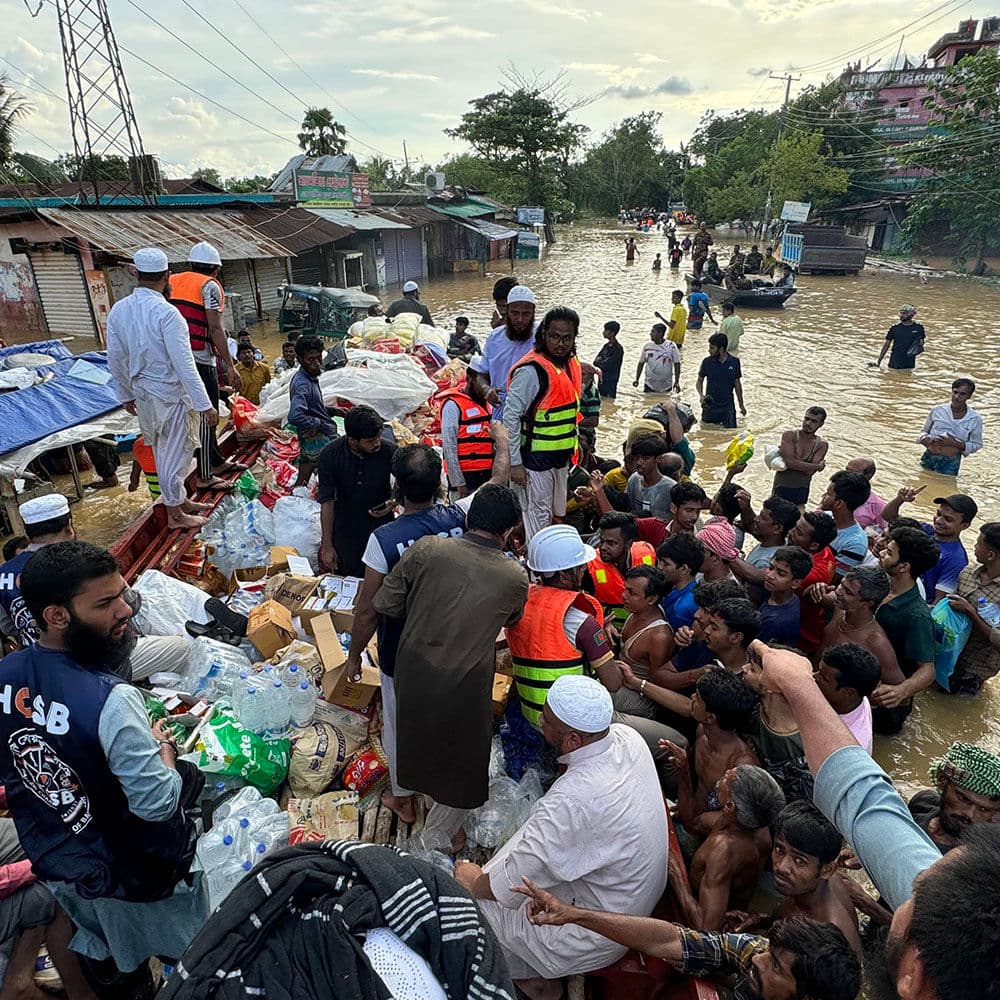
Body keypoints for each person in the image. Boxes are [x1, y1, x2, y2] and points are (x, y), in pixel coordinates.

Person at [744, 639, 1000, 1000]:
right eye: (962, 798)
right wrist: (799, 685)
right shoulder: (951, 857)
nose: (970, 815)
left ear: (915, 973)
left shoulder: (954, 910)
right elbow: (873, 808)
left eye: (917, 895)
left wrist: (869, 906)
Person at [0, 542, 209, 979]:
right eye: (105, 603)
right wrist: (163, 753)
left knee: (102, 952)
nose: (125, 611)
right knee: (183, 953)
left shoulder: (7, 674)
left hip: (60, 853)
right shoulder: (111, 699)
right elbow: (156, 803)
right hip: (128, 869)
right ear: (57, 616)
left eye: (121, 595)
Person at [454, 676, 668, 997]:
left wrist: (473, 882)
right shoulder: (627, 737)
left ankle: (536, 980)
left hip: (600, 933)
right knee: (534, 832)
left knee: (475, 905)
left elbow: (509, 882)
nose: (541, 721)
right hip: (628, 898)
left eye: (547, 720)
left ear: (571, 740)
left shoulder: (570, 802)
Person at [346, 442, 509, 820]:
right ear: (440, 483)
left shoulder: (384, 540)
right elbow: (498, 481)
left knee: (400, 724)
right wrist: (500, 438)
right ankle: (445, 793)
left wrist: (355, 655)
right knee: (448, 721)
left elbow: (368, 608)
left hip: (400, 654)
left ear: (397, 489)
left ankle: (403, 796)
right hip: (458, 647)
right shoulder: (463, 518)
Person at [374, 486, 528, 845]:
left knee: (416, 734)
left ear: (469, 519)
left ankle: (412, 798)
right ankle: (445, 829)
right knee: (463, 756)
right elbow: (515, 619)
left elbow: (387, 603)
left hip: (413, 666)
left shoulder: (427, 548)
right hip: (466, 679)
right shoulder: (513, 575)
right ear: (508, 531)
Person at [515, 887, 859, 1000]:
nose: (759, 960)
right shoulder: (755, 953)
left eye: (775, 967)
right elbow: (669, 940)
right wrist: (573, 914)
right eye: (769, 953)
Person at [0, 495, 191, 684]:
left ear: (27, 534)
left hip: (43, 664)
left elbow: (8, 627)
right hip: (97, 664)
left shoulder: (3, 575)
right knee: (182, 646)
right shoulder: (81, 562)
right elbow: (132, 603)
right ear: (68, 526)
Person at [105, 247, 220, 532]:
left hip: (143, 393)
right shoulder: (168, 314)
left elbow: (115, 358)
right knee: (175, 454)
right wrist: (205, 405)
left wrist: (125, 394)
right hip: (170, 394)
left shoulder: (120, 309)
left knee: (160, 449)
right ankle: (175, 515)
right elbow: (185, 365)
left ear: (137, 274)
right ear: (167, 276)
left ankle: (179, 502)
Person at [507, 525, 622, 736]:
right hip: (572, 725)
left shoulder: (520, 604)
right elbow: (613, 684)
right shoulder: (582, 623)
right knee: (671, 736)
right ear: (564, 574)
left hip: (532, 714)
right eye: (579, 567)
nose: (584, 571)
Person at [168, 241, 246, 490]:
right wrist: (230, 366)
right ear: (215, 269)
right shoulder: (209, 286)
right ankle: (204, 475)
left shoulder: (173, 280)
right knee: (207, 414)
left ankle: (216, 461)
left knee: (203, 412)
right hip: (200, 359)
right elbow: (214, 328)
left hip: (175, 358)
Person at [671, 765, 785, 932]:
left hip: (708, 916)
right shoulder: (754, 825)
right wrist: (684, 771)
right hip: (723, 895)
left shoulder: (723, 849)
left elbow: (707, 931)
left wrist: (676, 878)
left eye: (726, 778)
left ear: (730, 806)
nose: (722, 776)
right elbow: (694, 821)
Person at [505, 307, 582, 541]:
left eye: (567, 338)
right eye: (555, 336)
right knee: (538, 517)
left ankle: (551, 564)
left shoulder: (568, 364)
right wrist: (515, 463)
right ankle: (538, 569)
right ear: (544, 335)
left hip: (560, 458)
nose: (560, 343)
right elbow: (510, 418)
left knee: (557, 514)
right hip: (534, 460)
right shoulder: (531, 371)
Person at [662, 667, 761, 834]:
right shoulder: (702, 731)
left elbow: (702, 825)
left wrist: (684, 772)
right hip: (690, 813)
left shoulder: (740, 766)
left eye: (698, 698)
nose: (692, 697)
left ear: (711, 717)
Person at [871, 526, 940, 732]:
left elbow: (928, 670)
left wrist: (901, 691)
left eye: (889, 552)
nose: (882, 552)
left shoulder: (916, 616)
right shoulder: (879, 584)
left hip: (887, 702)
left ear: (903, 567)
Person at [769, 802, 861, 957]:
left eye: (799, 861)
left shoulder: (828, 938)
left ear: (827, 870)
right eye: (779, 850)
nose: (781, 867)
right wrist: (759, 921)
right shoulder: (813, 887)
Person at [317, 405, 396, 577]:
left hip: (381, 527)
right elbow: (327, 502)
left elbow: (403, 480)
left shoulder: (389, 451)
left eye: (378, 437)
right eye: (370, 441)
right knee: (350, 578)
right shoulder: (329, 456)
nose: (377, 443)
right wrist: (327, 546)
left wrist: (393, 501)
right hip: (346, 531)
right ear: (352, 440)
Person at [817, 566, 903, 710]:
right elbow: (815, 598)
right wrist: (815, 588)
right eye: (841, 585)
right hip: (815, 684)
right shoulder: (841, 607)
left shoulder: (876, 642)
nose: (838, 591)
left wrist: (863, 697)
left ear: (867, 602)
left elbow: (900, 692)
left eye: (848, 592)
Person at [742, 643, 814, 802]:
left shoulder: (802, 743)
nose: (744, 668)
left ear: (770, 686)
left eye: (753, 669)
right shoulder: (752, 707)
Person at [882, 489, 977, 603]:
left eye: (948, 519)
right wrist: (899, 500)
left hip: (913, 602)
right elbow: (889, 517)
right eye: (938, 514)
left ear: (965, 525)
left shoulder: (956, 559)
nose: (939, 520)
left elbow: (938, 602)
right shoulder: (924, 530)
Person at [908, 741, 1000, 852]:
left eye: (984, 809)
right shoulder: (922, 803)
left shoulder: (982, 859)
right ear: (943, 781)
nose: (970, 814)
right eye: (964, 799)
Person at [946, 521, 1000, 695]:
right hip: (948, 654)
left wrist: (970, 612)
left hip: (975, 668)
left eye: (978, 544)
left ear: (991, 555)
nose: (975, 547)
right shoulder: (968, 573)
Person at [585, 512, 657, 631]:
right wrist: (602, 622)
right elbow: (582, 607)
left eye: (611, 543)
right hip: (607, 633)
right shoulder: (589, 566)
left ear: (628, 544)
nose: (602, 547)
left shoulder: (648, 555)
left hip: (643, 629)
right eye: (602, 541)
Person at [285, 335, 338, 487]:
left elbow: (312, 408)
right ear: (300, 359)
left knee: (303, 477)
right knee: (336, 477)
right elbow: (295, 416)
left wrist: (333, 411)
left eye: (318, 358)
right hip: (317, 439)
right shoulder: (302, 384)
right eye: (311, 359)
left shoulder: (308, 378)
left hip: (309, 441)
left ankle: (298, 495)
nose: (316, 363)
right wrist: (318, 423)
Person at [438, 356, 495, 496]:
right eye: (483, 381)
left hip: (487, 478)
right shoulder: (453, 405)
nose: (486, 387)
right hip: (465, 480)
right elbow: (449, 446)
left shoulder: (490, 404)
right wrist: (459, 483)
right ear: (469, 377)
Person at [482, 285, 538, 421]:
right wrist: (487, 390)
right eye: (515, 313)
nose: (520, 320)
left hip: (533, 418)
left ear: (533, 313)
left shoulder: (544, 337)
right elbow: (480, 373)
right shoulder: (494, 338)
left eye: (526, 314)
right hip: (500, 416)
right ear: (507, 311)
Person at [814, 642, 880, 754]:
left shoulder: (847, 745)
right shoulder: (858, 697)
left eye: (823, 678)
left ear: (848, 692)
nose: (814, 677)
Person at [786, 512, 838, 655]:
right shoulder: (825, 551)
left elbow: (770, 582)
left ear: (814, 545)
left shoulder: (807, 574)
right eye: (795, 527)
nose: (791, 532)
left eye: (798, 532)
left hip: (800, 634)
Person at [730, 494, 799, 600]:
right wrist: (746, 508)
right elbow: (751, 525)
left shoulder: (767, 561)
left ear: (777, 528)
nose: (756, 519)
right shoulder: (778, 541)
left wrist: (724, 550)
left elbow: (753, 576)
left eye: (763, 518)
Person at [917, 377, 983, 475]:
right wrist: (924, 439)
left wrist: (955, 443)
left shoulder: (975, 419)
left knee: (947, 487)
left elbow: (977, 444)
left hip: (951, 462)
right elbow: (923, 432)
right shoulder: (937, 410)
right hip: (929, 456)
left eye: (962, 394)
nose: (957, 397)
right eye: (955, 392)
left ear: (969, 396)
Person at [818, 470, 871, 582]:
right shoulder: (824, 517)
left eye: (828, 494)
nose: (823, 496)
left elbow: (830, 578)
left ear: (839, 503)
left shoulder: (855, 543)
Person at [772, 408, 829, 506]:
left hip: (801, 491)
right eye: (806, 419)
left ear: (821, 424)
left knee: (798, 519)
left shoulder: (822, 445)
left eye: (814, 421)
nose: (808, 423)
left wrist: (795, 462)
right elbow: (790, 462)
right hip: (780, 488)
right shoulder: (790, 435)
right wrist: (818, 466)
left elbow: (809, 472)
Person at [759, 547, 812, 646]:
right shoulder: (790, 598)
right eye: (770, 568)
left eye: (781, 574)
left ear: (795, 583)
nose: (770, 575)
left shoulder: (775, 622)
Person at [697, 333, 745, 428]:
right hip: (710, 406)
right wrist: (701, 395)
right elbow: (699, 381)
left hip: (728, 407)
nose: (709, 350)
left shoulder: (734, 362)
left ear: (721, 349)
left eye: (712, 348)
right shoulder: (707, 362)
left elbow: (737, 385)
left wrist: (741, 405)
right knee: (706, 433)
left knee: (730, 434)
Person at [657, 533, 704, 631]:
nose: (659, 567)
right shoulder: (689, 590)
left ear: (684, 569)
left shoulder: (680, 609)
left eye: (666, 563)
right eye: (660, 561)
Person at [705, 597, 760, 673]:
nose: (706, 630)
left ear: (736, 637)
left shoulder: (751, 680)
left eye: (714, 628)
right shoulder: (703, 652)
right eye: (709, 624)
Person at [625, 437, 675, 520]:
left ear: (658, 459)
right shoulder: (634, 479)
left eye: (645, 458)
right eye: (637, 457)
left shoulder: (670, 487)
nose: (639, 462)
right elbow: (628, 507)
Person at [874, 304, 925, 370]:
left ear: (911, 314)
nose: (901, 315)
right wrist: (879, 362)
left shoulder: (918, 328)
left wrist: (919, 345)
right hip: (894, 363)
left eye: (904, 313)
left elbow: (921, 343)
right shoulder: (895, 328)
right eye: (901, 313)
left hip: (910, 364)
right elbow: (886, 345)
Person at [633, 322, 680, 394]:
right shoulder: (647, 347)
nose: (650, 334)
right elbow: (641, 363)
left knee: (665, 404)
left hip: (666, 386)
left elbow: (677, 364)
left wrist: (677, 382)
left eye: (653, 332)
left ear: (660, 333)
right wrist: (637, 379)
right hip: (649, 385)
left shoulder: (671, 346)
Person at [845, 456, 888, 530]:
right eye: (846, 470)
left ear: (868, 476)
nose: (846, 475)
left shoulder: (878, 506)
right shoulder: (834, 493)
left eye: (853, 472)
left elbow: (886, 532)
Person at [593, 321, 624, 399]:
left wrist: (600, 361)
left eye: (605, 330)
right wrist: (600, 362)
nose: (603, 332)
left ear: (611, 333)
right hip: (602, 379)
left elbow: (607, 365)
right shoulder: (606, 346)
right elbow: (595, 362)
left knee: (609, 399)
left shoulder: (618, 349)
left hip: (611, 381)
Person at [579, 363, 601, 428]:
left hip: (584, 430)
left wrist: (574, 423)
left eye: (583, 374)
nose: (579, 377)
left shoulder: (592, 395)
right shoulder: (581, 389)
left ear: (591, 377)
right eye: (577, 373)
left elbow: (594, 421)